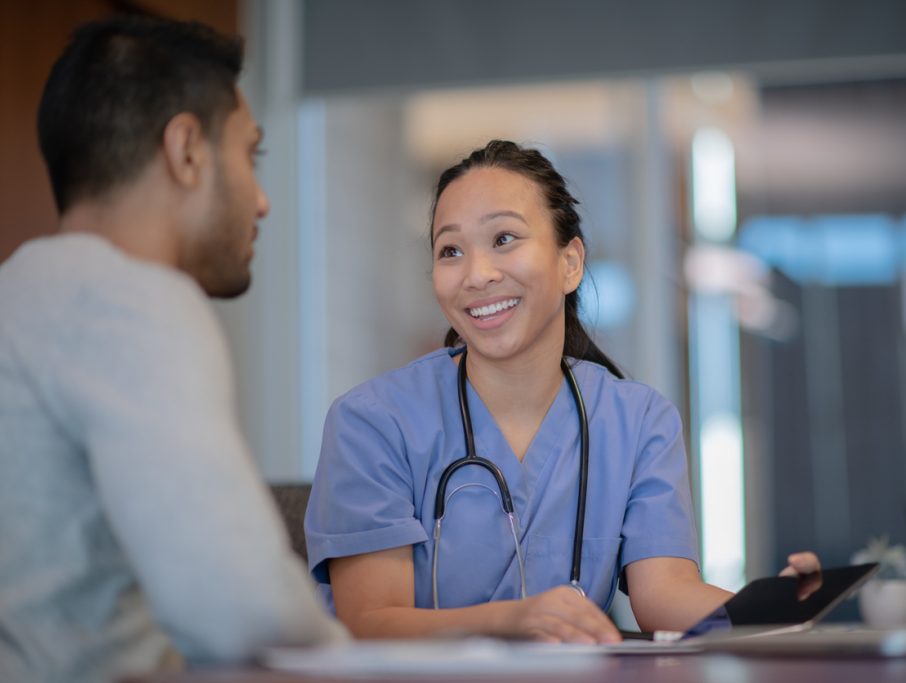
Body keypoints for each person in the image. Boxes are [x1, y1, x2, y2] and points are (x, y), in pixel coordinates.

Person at [306, 139, 820, 643]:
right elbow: (369, 621)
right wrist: (513, 620)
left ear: (570, 262)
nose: (477, 274)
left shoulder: (638, 420)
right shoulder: (372, 422)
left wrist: (772, 605)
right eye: (451, 250)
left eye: (504, 238)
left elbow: (663, 595)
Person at [0, 16, 348, 683]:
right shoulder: (132, 301)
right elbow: (245, 610)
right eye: (252, 154)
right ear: (186, 150)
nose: (265, 200)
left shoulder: (19, 293)